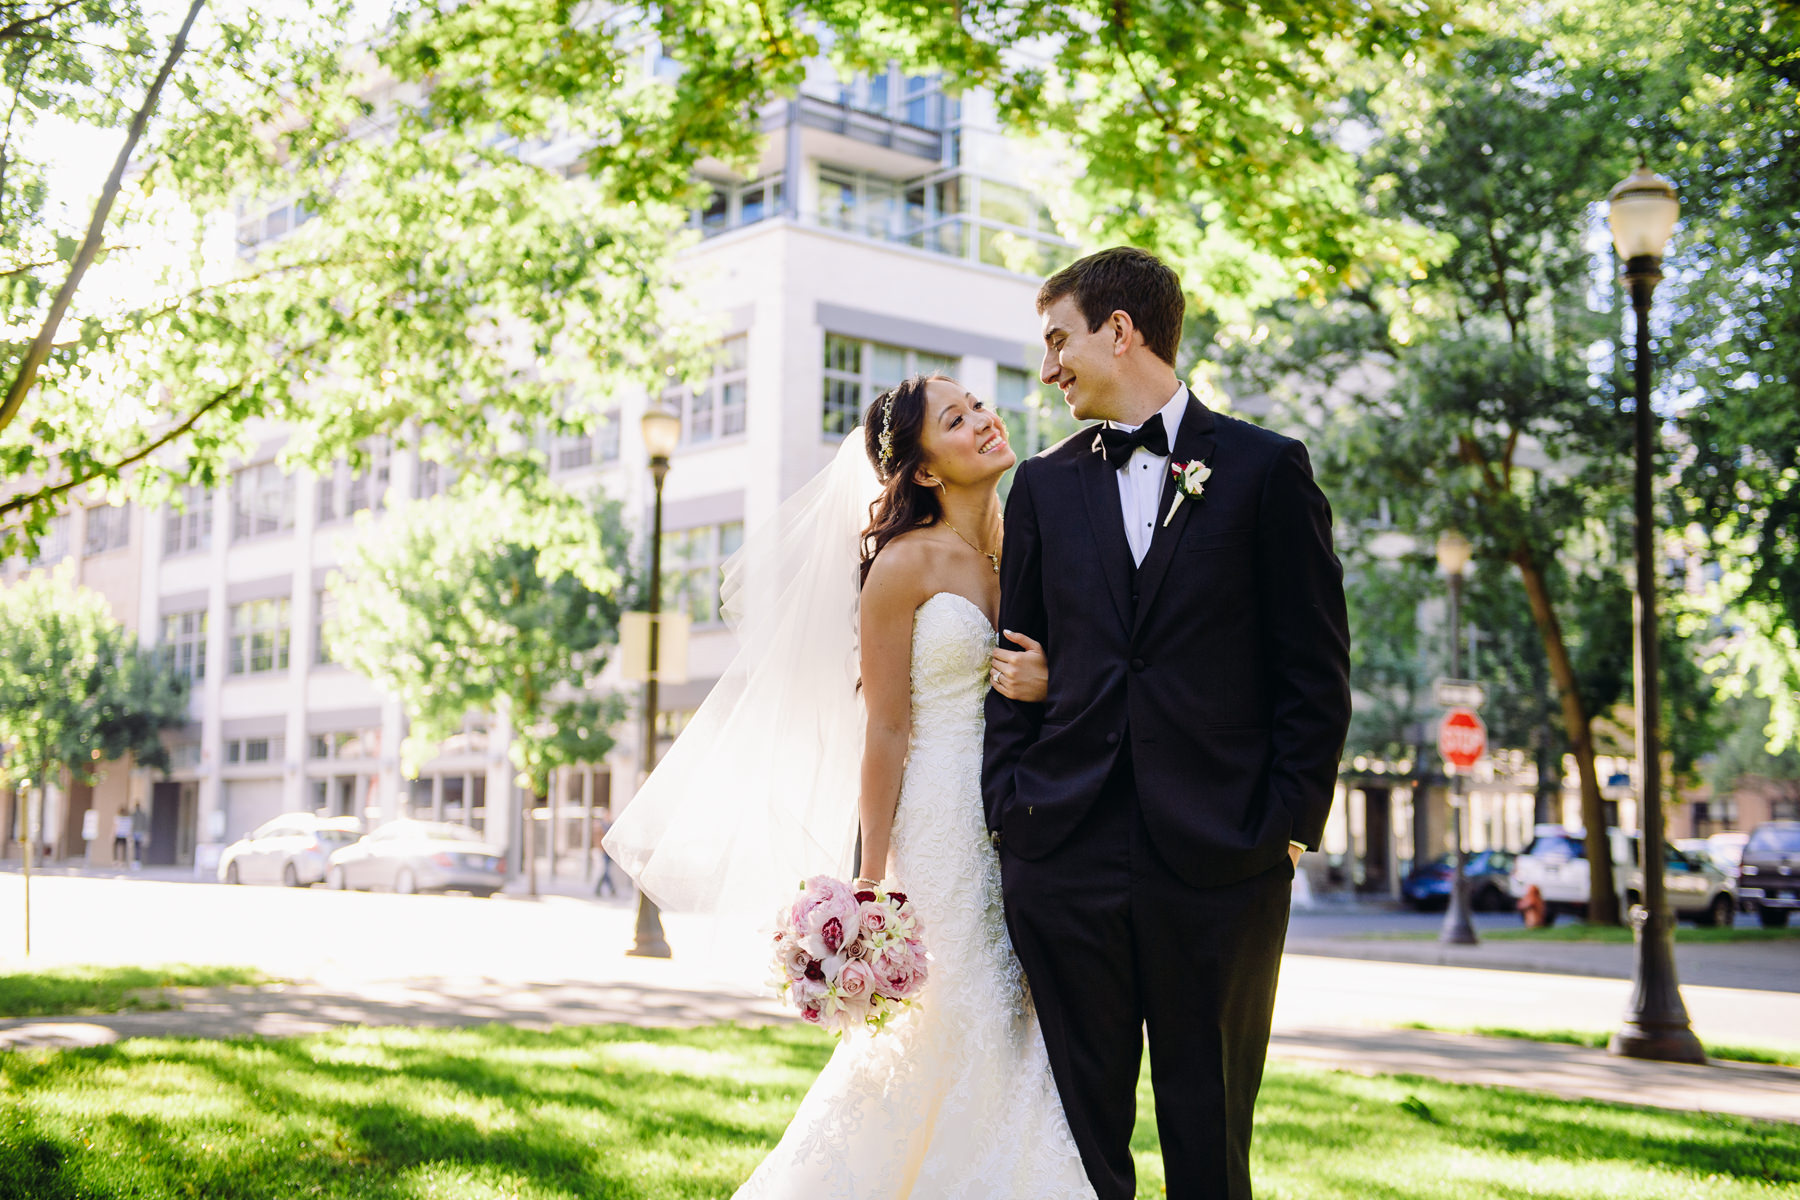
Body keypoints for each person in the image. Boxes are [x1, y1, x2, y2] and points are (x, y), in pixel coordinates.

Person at [605, 375, 1088, 1197]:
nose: (983, 420)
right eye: (957, 419)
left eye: (977, 405)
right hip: (940, 820)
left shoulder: (1022, 543)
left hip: (1025, 814)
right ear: (927, 472)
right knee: (954, 1016)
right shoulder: (903, 565)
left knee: (1018, 1018)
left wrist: (1050, 681)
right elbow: (888, 730)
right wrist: (869, 881)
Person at [984, 247, 1351, 1200]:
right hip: (1064, 854)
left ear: (1121, 329)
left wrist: (1282, 831)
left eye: (1060, 338)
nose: (1051, 363)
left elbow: (1314, 672)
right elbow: (1009, 661)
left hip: (1224, 864)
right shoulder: (1041, 488)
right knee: (1077, 1147)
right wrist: (1013, 811)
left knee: (1211, 1140)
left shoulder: (1268, 470)